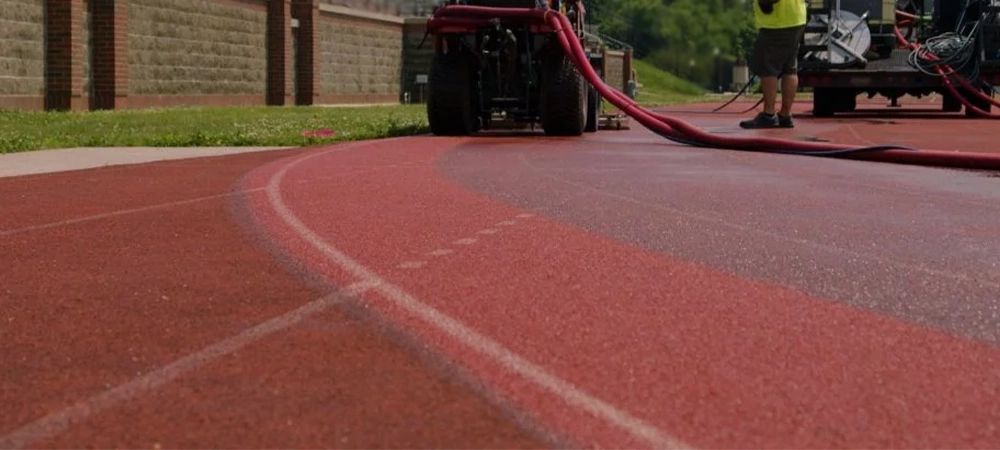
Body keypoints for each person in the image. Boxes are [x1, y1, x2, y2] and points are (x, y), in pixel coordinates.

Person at [739, 0, 808, 129]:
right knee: (790, 68)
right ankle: (785, 115)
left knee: (769, 68)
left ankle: (769, 115)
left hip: (777, 21)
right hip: (796, 17)